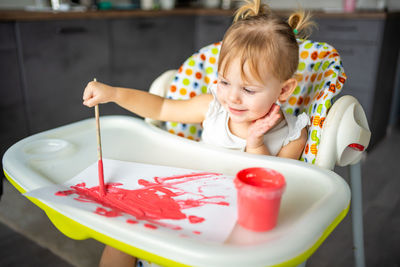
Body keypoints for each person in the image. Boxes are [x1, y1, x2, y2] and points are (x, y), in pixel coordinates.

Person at [82, 0, 314, 266]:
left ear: (284, 90)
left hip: (235, 231)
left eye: (249, 90)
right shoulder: (212, 108)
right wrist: (113, 94)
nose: (233, 98)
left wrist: (255, 143)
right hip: (187, 204)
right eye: (225, 82)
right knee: (119, 237)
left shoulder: (293, 135)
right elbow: (161, 106)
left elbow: (272, 196)